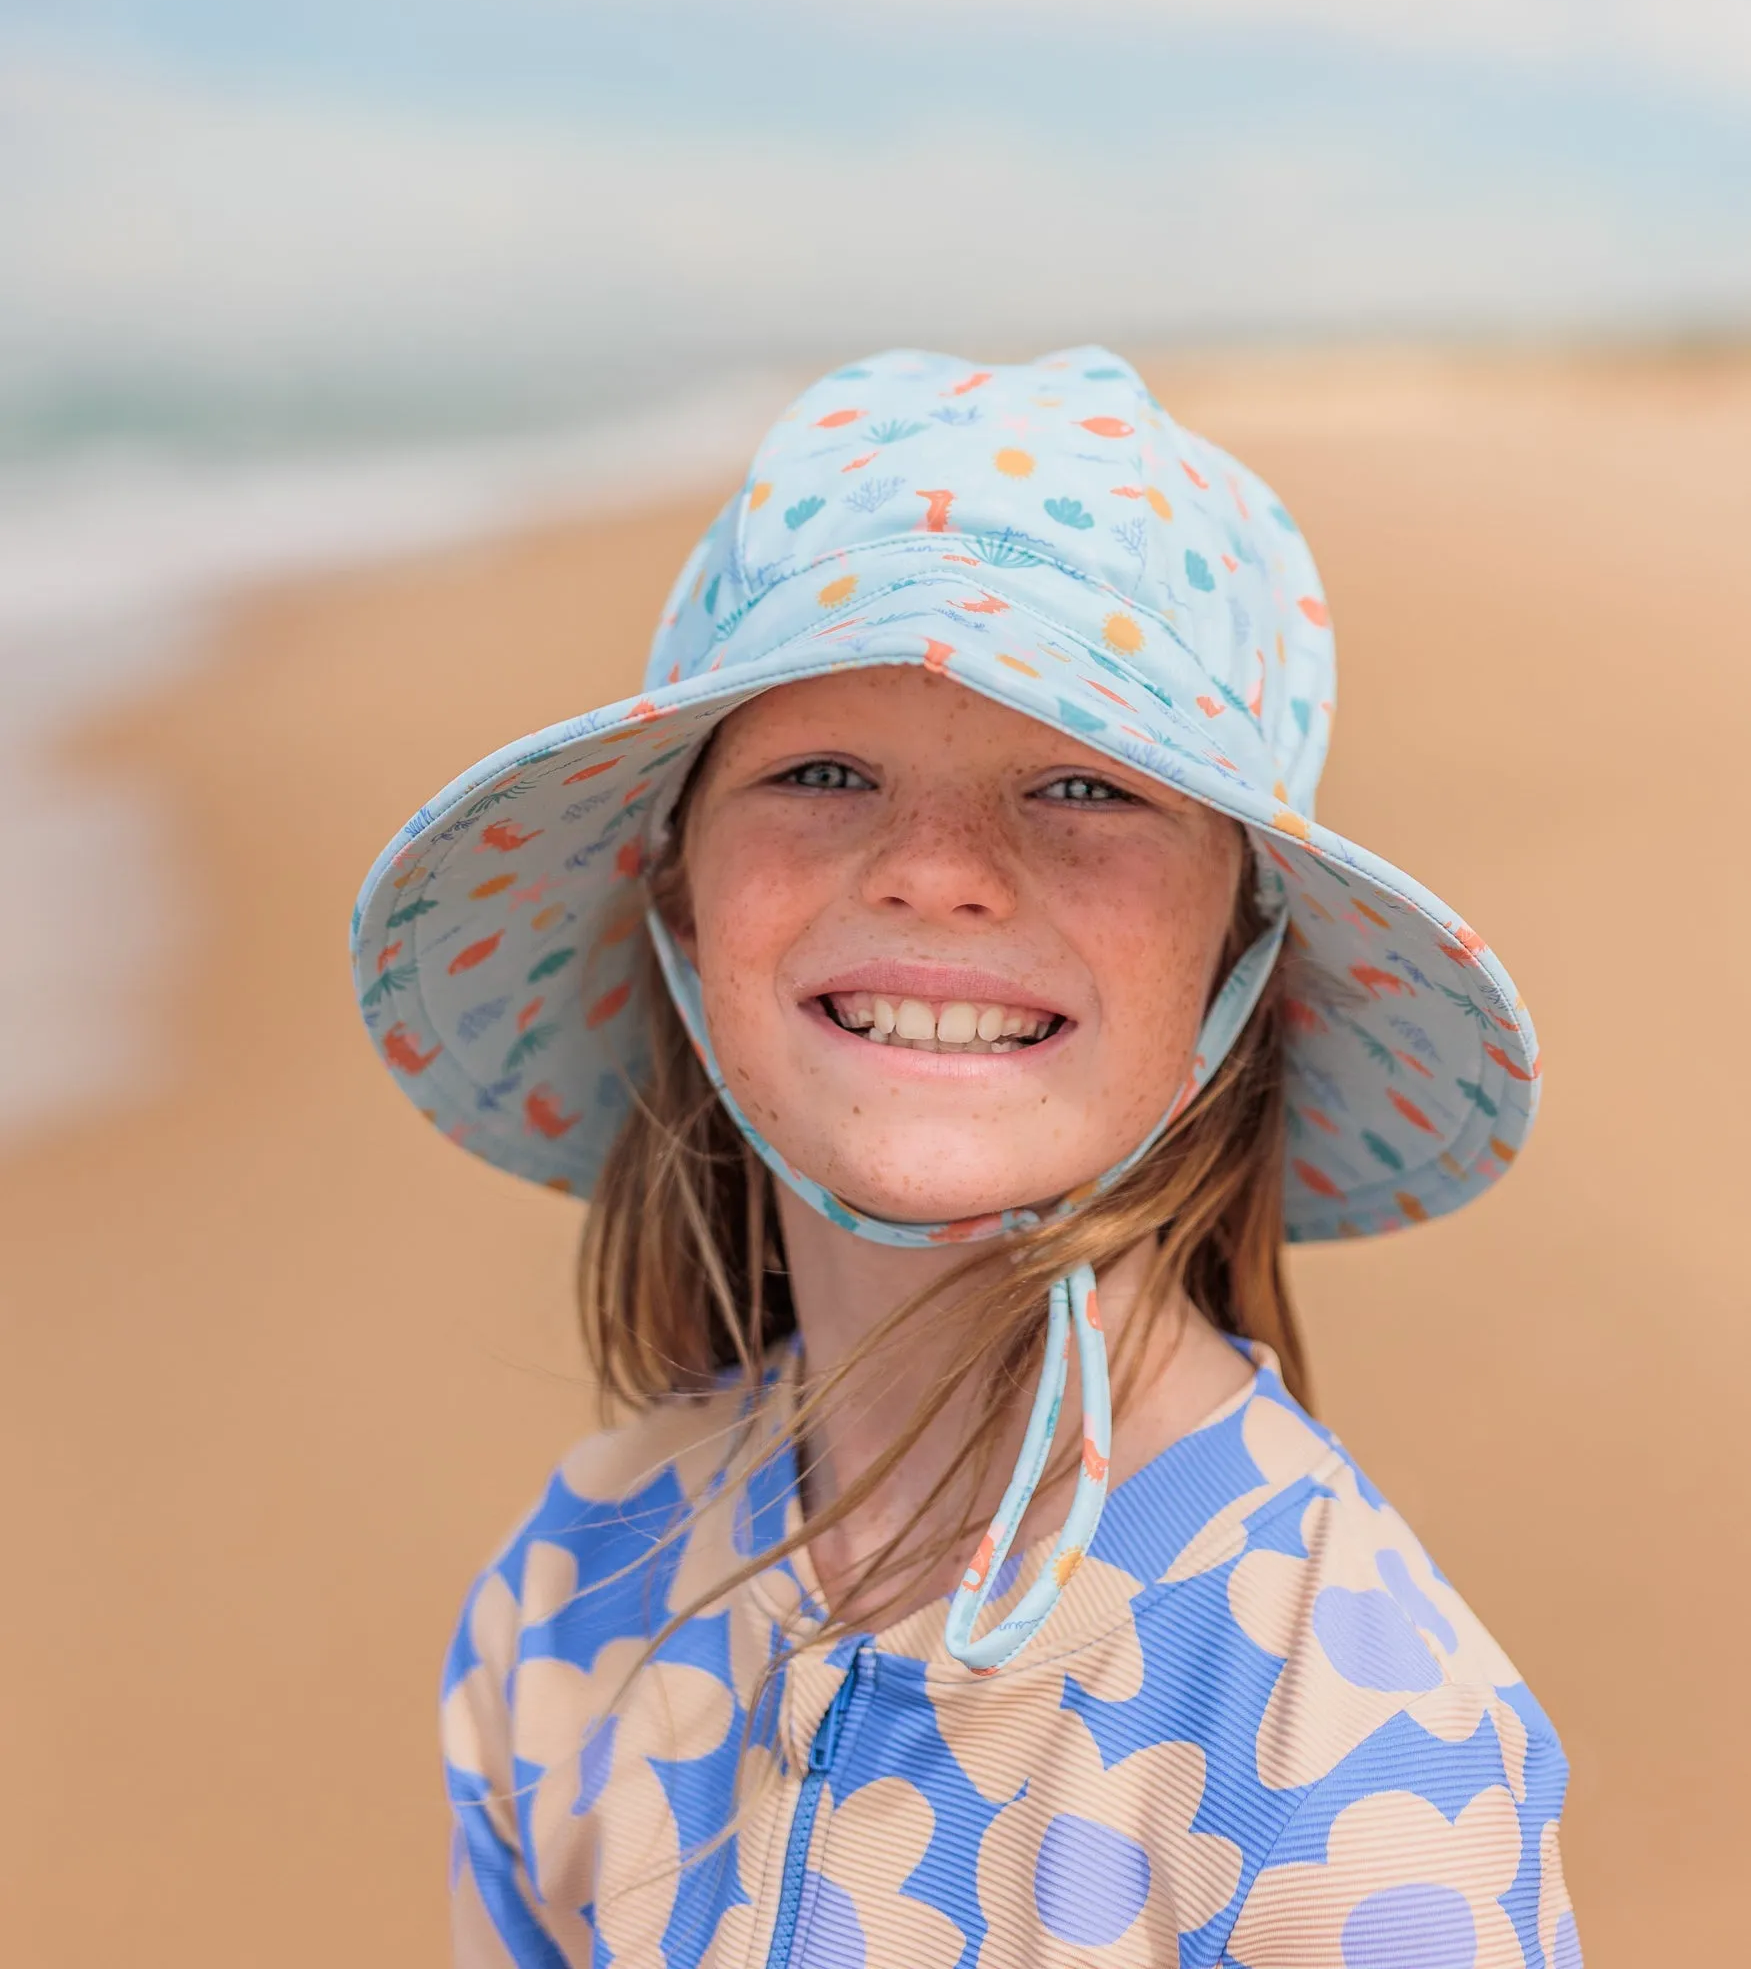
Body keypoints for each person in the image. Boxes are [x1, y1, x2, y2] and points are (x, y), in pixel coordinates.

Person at [354, 348, 1580, 1967]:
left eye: (1084, 784)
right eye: (821, 773)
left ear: (1243, 957)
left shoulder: (1339, 1735)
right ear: (676, 899)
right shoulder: (580, 1589)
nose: (937, 873)